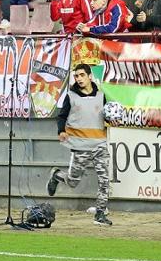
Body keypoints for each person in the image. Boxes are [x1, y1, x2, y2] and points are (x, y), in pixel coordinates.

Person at [47, 63, 112, 226]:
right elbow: (61, 116)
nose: (79, 78)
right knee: (73, 182)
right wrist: (61, 131)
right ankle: (56, 175)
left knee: (104, 181)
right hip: (80, 146)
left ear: (90, 76)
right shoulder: (71, 96)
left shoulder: (101, 96)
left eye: (82, 75)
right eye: (76, 76)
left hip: (100, 145)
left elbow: (107, 116)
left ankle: (100, 214)